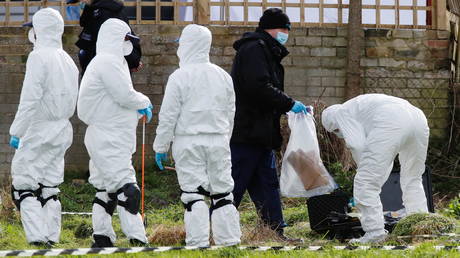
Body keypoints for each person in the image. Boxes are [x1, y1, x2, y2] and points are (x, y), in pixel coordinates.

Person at [153, 24, 241, 247]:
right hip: (219, 140)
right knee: (222, 193)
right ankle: (229, 242)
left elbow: (168, 116)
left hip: (188, 141)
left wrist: (161, 147)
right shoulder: (223, 76)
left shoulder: (179, 77)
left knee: (193, 194)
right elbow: (231, 113)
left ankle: (198, 242)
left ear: (187, 45)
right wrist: (225, 138)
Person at [230, 8, 311, 241]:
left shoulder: (266, 50)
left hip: (262, 133)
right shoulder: (255, 49)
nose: (286, 33)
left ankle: (275, 233)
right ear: (271, 28)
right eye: (284, 29)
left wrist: (287, 106)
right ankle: (217, 230)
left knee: (267, 185)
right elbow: (258, 87)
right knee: (235, 184)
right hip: (247, 132)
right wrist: (288, 103)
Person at [77, 18, 152, 248]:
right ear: (116, 38)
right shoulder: (108, 62)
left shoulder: (109, 62)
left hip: (107, 135)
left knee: (105, 190)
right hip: (110, 137)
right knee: (127, 188)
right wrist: (144, 101)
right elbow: (123, 95)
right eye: (126, 39)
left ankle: (102, 238)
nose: (128, 44)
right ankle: (138, 239)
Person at [9, 8, 79, 246]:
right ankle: (51, 236)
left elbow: (30, 98)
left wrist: (17, 130)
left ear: (39, 31)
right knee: (50, 185)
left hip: (39, 128)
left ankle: (37, 237)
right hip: (62, 129)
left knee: (23, 185)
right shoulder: (67, 59)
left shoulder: (38, 57)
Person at [321, 93, 430, 244]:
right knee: (413, 177)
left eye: (336, 131)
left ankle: (375, 233)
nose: (338, 135)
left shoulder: (339, 114)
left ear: (331, 124)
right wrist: (376, 175)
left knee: (364, 182)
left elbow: (356, 145)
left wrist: (366, 173)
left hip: (391, 120)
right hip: (418, 118)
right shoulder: (359, 106)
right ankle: (421, 226)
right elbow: (383, 159)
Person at [69, 0, 142, 74]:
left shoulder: (107, 13)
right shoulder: (93, 12)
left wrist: (133, 62)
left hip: (109, 71)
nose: (82, 2)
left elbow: (122, 40)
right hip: (95, 70)